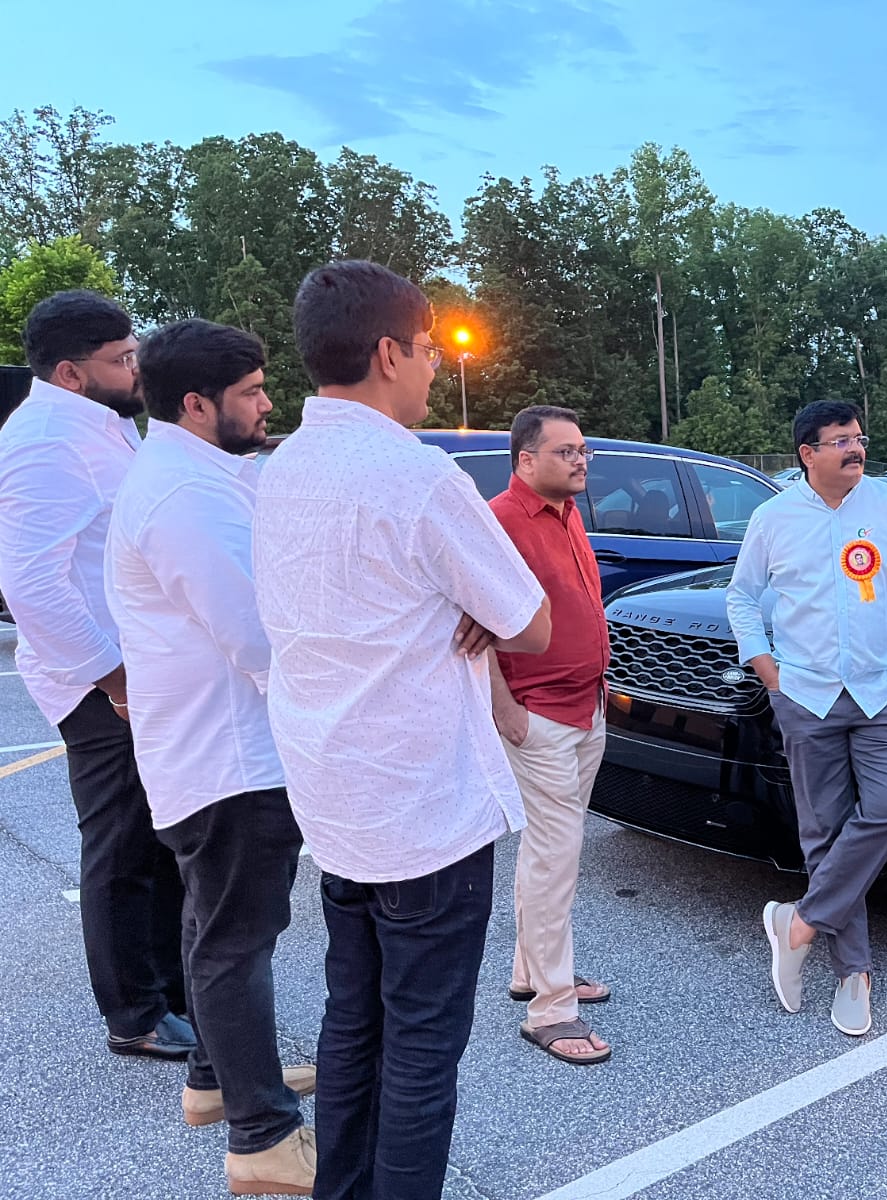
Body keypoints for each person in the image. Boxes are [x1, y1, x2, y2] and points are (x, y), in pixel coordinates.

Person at [252, 260, 551, 1200]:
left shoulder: (278, 468)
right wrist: (472, 608)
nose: (431, 366)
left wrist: (460, 607)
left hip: (337, 796)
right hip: (424, 807)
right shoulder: (418, 476)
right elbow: (531, 623)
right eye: (426, 349)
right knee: (421, 1047)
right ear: (389, 353)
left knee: (354, 1021)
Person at [105, 319, 316, 1194]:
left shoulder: (200, 474)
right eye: (252, 392)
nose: (268, 404)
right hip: (231, 758)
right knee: (236, 941)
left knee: (215, 928)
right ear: (197, 404)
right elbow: (260, 636)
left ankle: (217, 1078)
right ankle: (262, 1137)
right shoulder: (182, 496)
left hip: (216, 751)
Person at [0, 290, 192, 1061]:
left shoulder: (104, 426)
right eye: (123, 359)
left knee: (161, 840)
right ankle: (136, 1015)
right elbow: (30, 584)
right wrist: (113, 681)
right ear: (72, 373)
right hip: (98, 682)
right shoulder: (45, 441)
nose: (137, 368)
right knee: (121, 847)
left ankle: (174, 993)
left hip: (138, 671)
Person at [726, 400, 887, 1038]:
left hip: (885, 691)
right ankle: (855, 973)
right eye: (841, 440)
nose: (856, 449)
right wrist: (767, 670)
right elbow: (742, 596)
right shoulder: (774, 517)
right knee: (823, 833)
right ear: (808, 454)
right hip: (805, 694)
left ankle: (797, 925)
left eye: (859, 437)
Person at [486, 404, 613, 1066]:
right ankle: (551, 1010)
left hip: (584, 707)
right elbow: (470, 624)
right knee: (556, 855)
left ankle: (531, 972)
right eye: (566, 451)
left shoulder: (567, 513)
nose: (580, 460)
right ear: (525, 460)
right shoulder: (500, 521)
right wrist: (503, 706)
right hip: (538, 715)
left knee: (548, 851)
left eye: (583, 450)